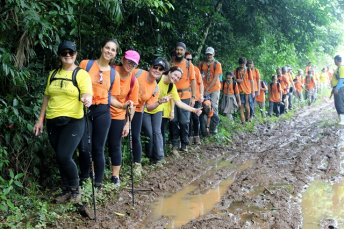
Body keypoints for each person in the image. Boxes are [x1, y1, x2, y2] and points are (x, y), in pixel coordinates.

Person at [33, 41, 92, 203]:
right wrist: (40, 120)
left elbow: (88, 94)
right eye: (64, 53)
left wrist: (87, 100)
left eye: (71, 53)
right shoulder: (52, 74)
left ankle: (75, 191)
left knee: (64, 155)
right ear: (59, 55)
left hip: (73, 121)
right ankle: (66, 190)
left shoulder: (81, 74)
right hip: (52, 121)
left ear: (76, 55)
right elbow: (46, 96)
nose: (67, 55)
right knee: (60, 158)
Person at [78, 38, 121, 191]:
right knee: (83, 147)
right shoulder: (86, 64)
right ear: (102, 48)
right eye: (107, 47)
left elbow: (113, 98)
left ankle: (98, 184)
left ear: (115, 54)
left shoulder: (114, 74)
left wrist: (125, 105)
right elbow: (76, 83)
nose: (109, 51)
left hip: (103, 110)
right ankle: (84, 178)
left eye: (113, 50)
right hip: (84, 109)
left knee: (98, 148)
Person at [143, 66, 202, 164]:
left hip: (158, 110)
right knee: (149, 134)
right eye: (175, 75)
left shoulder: (172, 86)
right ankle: (149, 157)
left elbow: (179, 103)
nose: (176, 78)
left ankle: (158, 158)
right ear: (169, 72)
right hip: (146, 108)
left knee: (157, 133)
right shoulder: (158, 78)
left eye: (178, 78)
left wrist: (194, 110)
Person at [131, 58, 169, 175]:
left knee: (136, 137)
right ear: (150, 66)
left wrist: (160, 102)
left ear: (162, 72)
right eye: (155, 67)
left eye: (160, 69)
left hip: (138, 110)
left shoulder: (155, 87)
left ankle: (137, 164)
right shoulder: (137, 73)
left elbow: (149, 107)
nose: (157, 70)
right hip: (123, 106)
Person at [108, 50, 140, 186]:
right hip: (101, 112)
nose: (130, 64)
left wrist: (128, 123)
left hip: (118, 115)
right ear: (122, 59)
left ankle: (115, 176)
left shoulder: (133, 80)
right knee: (97, 145)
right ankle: (93, 173)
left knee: (115, 145)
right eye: (128, 61)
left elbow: (133, 105)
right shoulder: (110, 72)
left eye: (133, 63)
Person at [170, 42, 196, 153]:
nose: (179, 52)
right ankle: (175, 143)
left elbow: (193, 81)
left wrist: (193, 97)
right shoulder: (170, 63)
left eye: (181, 50)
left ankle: (184, 143)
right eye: (177, 49)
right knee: (173, 120)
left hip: (185, 95)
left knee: (184, 121)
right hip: (172, 96)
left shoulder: (189, 65)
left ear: (184, 51)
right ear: (175, 51)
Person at [186, 52, 204, 145]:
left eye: (190, 59)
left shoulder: (196, 69)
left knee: (195, 118)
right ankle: (189, 136)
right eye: (187, 59)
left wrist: (201, 95)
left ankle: (196, 135)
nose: (189, 61)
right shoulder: (182, 69)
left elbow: (201, 83)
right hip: (186, 97)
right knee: (187, 118)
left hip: (196, 97)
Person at [198, 47, 222, 115]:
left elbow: (215, 78)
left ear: (213, 54)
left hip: (215, 88)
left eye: (210, 54)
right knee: (205, 105)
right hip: (204, 88)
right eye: (208, 54)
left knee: (214, 106)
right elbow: (199, 76)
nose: (209, 56)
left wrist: (207, 89)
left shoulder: (217, 64)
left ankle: (214, 123)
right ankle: (205, 124)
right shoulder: (201, 64)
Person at [234, 57, 254, 124]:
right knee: (241, 107)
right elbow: (233, 79)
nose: (242, 65)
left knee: (247, 106)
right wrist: (237, 80)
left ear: (245, 63)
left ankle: (247, 118)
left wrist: (253, 91)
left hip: (247, 91)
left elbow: (251, 80)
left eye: (243, 64)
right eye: (241, 64)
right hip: (239, 91)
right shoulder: (236, 70)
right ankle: (243, 121)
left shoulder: (248, 70)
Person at [331, 55, 344, 124]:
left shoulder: (341, 68)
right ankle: (341, 119)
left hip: (340, 88)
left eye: (334, 60)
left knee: (340, 103)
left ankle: (342, 120)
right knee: (337, 103)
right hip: (337, 87)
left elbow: (342, 78)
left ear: (336, 60)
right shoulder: (338, 68)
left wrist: (337, 88)